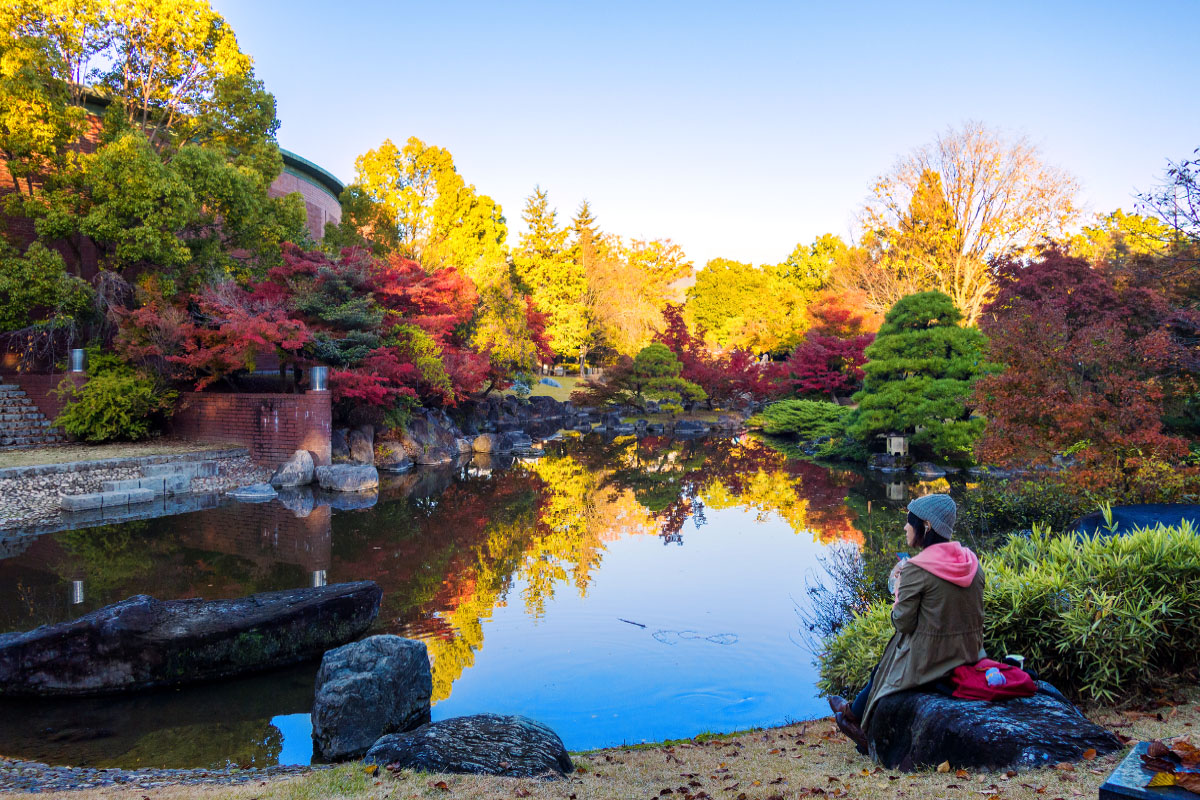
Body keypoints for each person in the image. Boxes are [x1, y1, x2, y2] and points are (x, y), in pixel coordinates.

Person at [827, 493, 985, 753]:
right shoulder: (971, 562)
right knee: (893, 655)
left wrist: (899, 588)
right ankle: (853, 713)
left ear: (926, 526)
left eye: (909, 521)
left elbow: (903, 622)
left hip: (932, 662)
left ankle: (854, 719)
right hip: (969, 653)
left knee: (895, 649)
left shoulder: (916, 568)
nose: (905, 527)